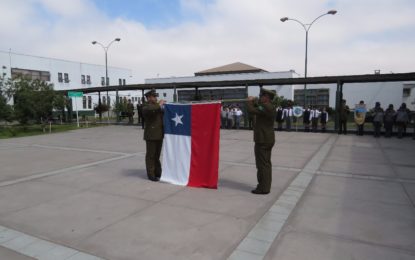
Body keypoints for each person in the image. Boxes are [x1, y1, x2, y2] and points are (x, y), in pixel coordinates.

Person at [246, 89, 276, 195]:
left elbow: (251, 110)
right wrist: (254, 102)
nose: (260, 97)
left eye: (262, 95)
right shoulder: (268, 106)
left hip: (263, 140)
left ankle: (263, 188)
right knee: (265, 164)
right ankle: (264, 186)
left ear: (267, 97)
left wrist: (249, 101)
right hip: (266, 139)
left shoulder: (266, 106)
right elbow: (257, 108)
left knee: (262, 165)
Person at [142, 89, 165, 181]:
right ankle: (151, 174)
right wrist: (159, 104)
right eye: (154, 96)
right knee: (151, 156)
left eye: (156, 96)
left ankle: (158, 173)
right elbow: (151, 110)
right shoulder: (146, 106)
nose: (156, 98)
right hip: (151, 135)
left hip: (159, 134)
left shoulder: (157, 106)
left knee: (157, 156)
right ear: (148, 98)